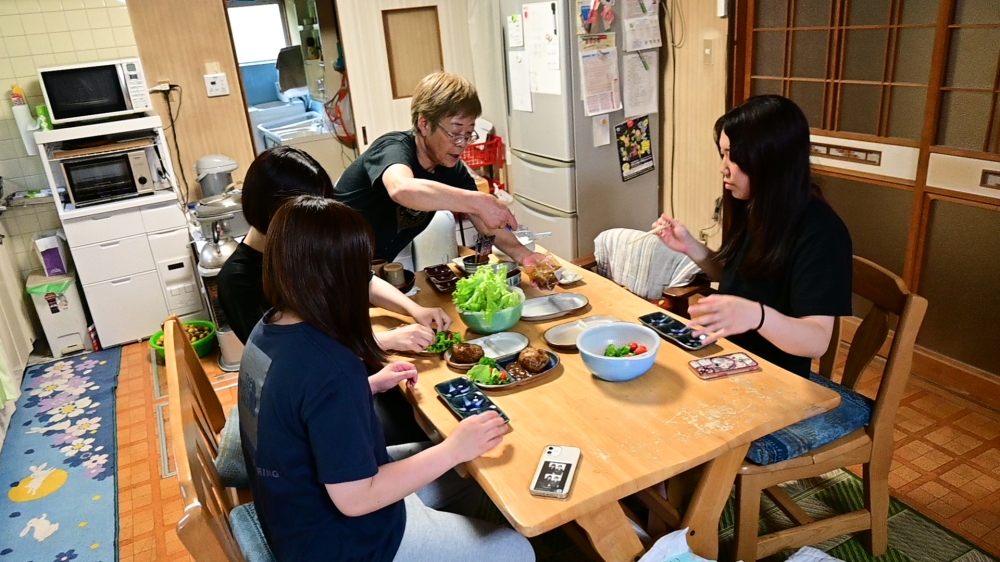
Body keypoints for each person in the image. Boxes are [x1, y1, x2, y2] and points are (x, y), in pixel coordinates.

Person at [239, 196, 535, 562]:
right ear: (337, 277)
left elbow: (293, 406)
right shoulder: (330, 366)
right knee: (516, 550)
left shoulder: (268, 327)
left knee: (470, 478)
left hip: (291, 516)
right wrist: (455, 447)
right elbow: (355, 498)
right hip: (343, 541)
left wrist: (366, 386)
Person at [653, 95, 852, 377]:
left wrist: (756, 316)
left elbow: (817, 341)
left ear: (769, 159)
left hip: (774, 377)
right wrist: (691, 247)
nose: (723, 167)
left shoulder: (822, 232)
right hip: (729, 356)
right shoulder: (756, 205)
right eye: (722, 154)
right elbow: (739, 276)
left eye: (732, 156)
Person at [217, 146, 449, 353]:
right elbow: (285, 358)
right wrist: (381, 340)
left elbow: (359, 279)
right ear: (276, 212)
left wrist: (414, 309)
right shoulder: (238, 281)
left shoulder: (303, 244)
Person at [333, 71, 546, 265]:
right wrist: (477, 201)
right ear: (424, 124)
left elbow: (485, 223)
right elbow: (402, 189)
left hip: (367, 267)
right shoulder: (392, 147)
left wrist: (523, 255)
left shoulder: (451, 169)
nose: (462, 143)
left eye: (468, 134)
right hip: (327, 259)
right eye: (455, 132)